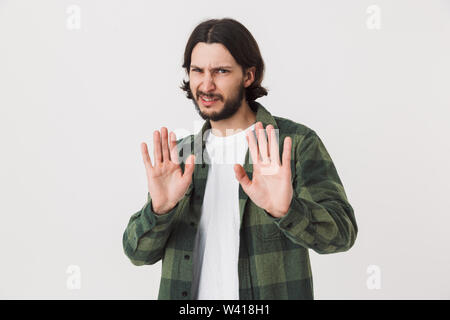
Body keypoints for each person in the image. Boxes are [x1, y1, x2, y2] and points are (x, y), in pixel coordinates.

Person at [122, 18, 357, 300]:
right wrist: (160, 211)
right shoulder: (181, 155)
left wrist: (287, 211)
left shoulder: (294, 144)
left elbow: (341, 235)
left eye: (221, 71)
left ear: (248, 76)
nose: (206, 85)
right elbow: (137, 253)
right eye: (197, 71)